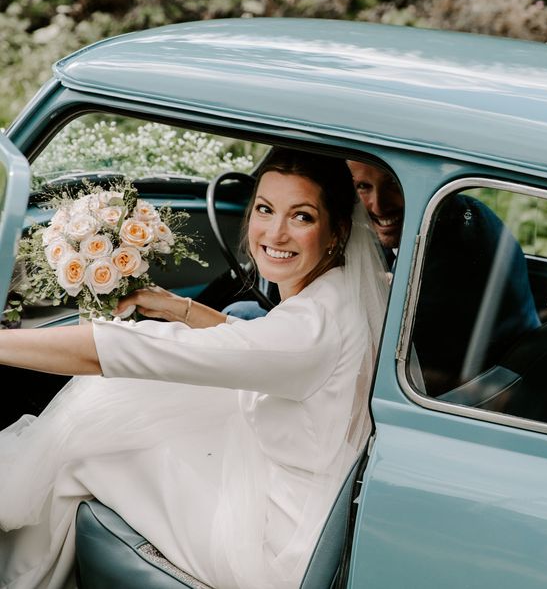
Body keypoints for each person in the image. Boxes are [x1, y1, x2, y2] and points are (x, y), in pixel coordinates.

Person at [0, 149, 389, 589]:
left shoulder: (311, 331)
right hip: (300, 493)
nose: (276, 233)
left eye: (302, 217)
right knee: (115, 414)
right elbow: (258, 344)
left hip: (273, 545)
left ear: (336, 231)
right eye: (265, 209)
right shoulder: (336, 296)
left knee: (87, 439)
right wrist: (177, 307)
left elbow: (111, 353)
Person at [347, 161, 540, 395]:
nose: (378, 205)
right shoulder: (467, 214)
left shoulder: (449, 257)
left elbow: (399, 372)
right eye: (363, 186)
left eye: (394, 184)